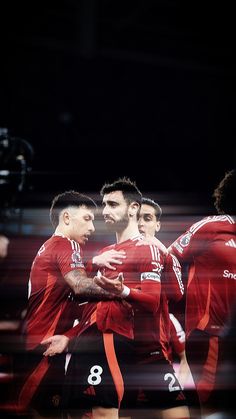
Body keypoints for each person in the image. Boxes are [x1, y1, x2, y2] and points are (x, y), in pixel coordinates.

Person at [43, 178, 190, 419]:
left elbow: (170, 297)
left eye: (113, 204)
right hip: (113, 344)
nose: (106, 211)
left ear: (133, 208)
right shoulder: (104, 254)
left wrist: (124, 290)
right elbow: (96, 313)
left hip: (149, 352)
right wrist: (70, 338)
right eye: (105, 205)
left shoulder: (149, 248)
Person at [15, 190, 124, 418]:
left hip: (38, 345)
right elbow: (80, 285)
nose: (93, 227)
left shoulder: (50, 247)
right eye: (87, 219)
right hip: (44, 348)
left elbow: (67, 282)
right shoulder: (67, 245)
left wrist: (92, 262)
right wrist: (122, 292)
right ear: (66, 218)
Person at [168, 169, 236, 417]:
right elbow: (170, 257)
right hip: (211, 335)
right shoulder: (211, 226)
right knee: (209, 407)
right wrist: (175, 295)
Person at [138, 197, 192, 389]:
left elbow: (177, 294)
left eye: (147, 218)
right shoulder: (112, 255)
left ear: (158, 225)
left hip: (155, 353)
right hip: (120, 350)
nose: (141, 223)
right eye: (136, 217)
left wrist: (164, 253)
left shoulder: (167, 257)